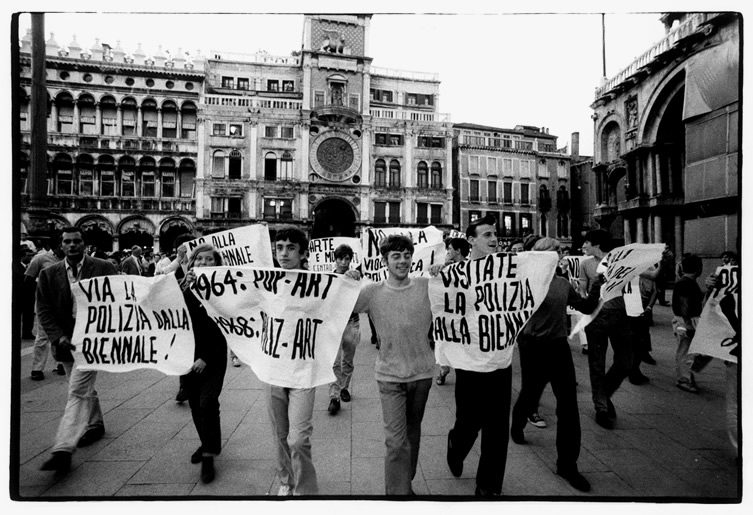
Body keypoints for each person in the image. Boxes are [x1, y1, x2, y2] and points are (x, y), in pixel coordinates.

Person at [510, 237, 600, 492]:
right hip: (532, 347)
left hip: (559, 347)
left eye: (560, 251)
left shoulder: (562, 283)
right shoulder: (524, 283)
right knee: (530, 393)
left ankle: (568, 465)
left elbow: (586, 306)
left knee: (569, 407)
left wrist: (601, 284)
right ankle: (517, 424)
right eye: (554, 251)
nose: (560, 255)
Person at [351, 234, 435, 495]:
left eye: (407, 255)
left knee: (413, 431)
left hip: (421, 374)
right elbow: (338, 304)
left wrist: (444, 271)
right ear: (385, 260)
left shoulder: (427, 286)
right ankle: (398, 496)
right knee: (396, 441)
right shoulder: (372, 292)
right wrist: (346, 279)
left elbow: (460, 292)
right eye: (396, 256)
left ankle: (404, 481)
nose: (403, 261)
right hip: (389, 376)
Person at [37, 226, 118, 473]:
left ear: (84, 244)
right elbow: (44, 310)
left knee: (76, 390)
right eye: (67, 242)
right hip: (66, 340)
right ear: (61, 246)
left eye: (77, 241)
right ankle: (95, 423)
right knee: (80, 385)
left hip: (94, 340)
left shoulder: (103, 267)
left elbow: (120, 297)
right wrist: (58, 336)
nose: (72, 245)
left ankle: (63, 448)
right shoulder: (49, 274)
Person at [445, 214, 512, 496]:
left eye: (494, 234)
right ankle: (455, 446)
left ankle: (488, 486)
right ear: (471, 240)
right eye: (486, 235)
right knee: (469, 422)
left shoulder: (508, 269)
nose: (494, 238)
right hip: (469, 361)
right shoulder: (456, 273)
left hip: (500, 359)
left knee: (497, 428)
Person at [267, 226, 318, 495]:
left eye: (290, 248)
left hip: (303, 372)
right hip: (274, 371)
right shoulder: (265, 281)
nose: (284, 253)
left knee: (298, 438)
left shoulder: (319, 283)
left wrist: (350, 278)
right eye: (279, 248)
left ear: (303, 253)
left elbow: (342, 301)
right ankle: (286, 481)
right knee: (279, 434)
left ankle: (306, 491)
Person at [180, 243, 228, 484]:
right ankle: (207, 442)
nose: (205, 264)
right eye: (200, 260)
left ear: (218, 265)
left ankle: (209, 455)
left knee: (207, 402)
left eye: (210, 260)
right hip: (185, 356)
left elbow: (223, 329)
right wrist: (184, 288)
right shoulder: (183, 288)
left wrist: (205, 358)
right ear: (192, 263)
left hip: (213, 356)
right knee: (195, 404)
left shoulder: (224, 291)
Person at [580, 229, 634, 430]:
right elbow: (582, 291)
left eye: (586, 242)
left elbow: (651, 275)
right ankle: (601, 408)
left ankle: (604, 394)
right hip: (596, 316)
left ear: (595, 243)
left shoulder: (621, 261)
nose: (584, 246)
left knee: (625, 362)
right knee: (597, 364)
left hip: (620, 315)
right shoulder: (585, 264)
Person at [25, 234, 66, 380]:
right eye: (64, 243)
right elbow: (28, 278)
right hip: (46, 305)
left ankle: (60, 363)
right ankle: (37, 369)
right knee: (42, 337)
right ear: (56, 246)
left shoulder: (69, 260)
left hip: (63, 304)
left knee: (61, 335)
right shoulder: (40, 259)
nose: (67, 247)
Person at [328, 244, 361, 415]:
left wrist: (355, 277)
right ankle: (334, 396)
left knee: (347, 360)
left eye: (347, 258)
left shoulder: (355, 276)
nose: (343, 262)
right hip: (334, 323)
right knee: (334, 362)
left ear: (350, 260)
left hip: (351, 323)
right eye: (340, 258)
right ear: (335, 259)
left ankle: (344, 388)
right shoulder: (329, 277)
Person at [436, 237, 470, 386]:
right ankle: (443, 370)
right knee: (444, 344)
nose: (447, 251)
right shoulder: (445, 267)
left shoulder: (472, 268)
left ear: (458, 251)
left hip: (465, 316)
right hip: (448, 315)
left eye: (450, 249)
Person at [672, 254, 704, 393]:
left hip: (686, 319)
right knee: (685, 350)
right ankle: (684, 379)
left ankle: (687, 376)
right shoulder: (686, 283)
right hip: (685, 320)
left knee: (689, 351)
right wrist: (688, 324)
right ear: (698, 269)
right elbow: (684, 304)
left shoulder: (685, 282)